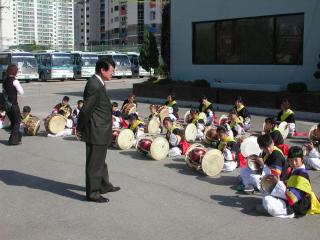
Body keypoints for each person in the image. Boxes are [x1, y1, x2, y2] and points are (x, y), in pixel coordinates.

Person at [77, 59, 120, 203]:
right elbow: (86, 109)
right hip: (96, 130)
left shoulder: (99, 82)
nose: (113, 73)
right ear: (102, 70)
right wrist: (80, 128)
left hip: (101, 129)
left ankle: (104, 185)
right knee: (94, 164)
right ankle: (93, 193)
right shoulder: (94, 84)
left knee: (100, 161)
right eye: (112, 71)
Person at [261, 146, 320, 218]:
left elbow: (293, 198)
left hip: (297, 206)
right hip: (289, 198)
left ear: (302, 160)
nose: (294, 163)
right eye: (291, 160)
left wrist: (278, 183)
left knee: (268, 200)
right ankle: (274, 209)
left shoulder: (302, 175)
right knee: (266, 195)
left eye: (296, 160)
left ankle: (287, 213)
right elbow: (288, 184)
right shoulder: (294, 169)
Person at [2, 64, 24, 145]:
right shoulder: (15, 81)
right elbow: (22, 92)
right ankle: (13, 141)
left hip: (7, 106)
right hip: (13, 105)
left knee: (14, 122)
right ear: (15, 72)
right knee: (17, 122)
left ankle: (18, 138)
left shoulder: (5, 80)